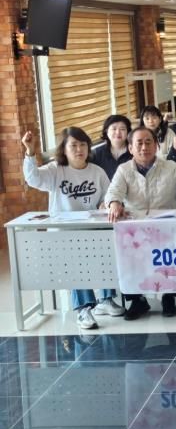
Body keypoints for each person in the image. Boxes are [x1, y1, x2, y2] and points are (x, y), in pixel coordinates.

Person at [22, 127, 124, 329]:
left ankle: (105, 300)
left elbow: (108, 196)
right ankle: (83, 309)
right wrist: (30, 152)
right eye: (74, 145)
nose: (79, 149)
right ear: (64, 149)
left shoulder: (97, 171)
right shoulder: (55, 170)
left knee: (107, 247)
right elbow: (33, 178)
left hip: (92, 229)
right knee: (75, 258)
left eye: (83, 145)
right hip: (64, 233)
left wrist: (106, 204)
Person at [105, 127, 176, 320]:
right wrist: (114, 203)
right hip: (136, 229)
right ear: (130, 148)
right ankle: (137, 300)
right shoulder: (124, 170)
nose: (144, 147)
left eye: (148, 142)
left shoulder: (170, 166)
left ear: (156, 146)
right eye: (139, 143)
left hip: (164, 227)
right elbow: (113, 192)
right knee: (128, 251)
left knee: (167, 252)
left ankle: (168, 297)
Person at [91, 115, 132, 180]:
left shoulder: (135, 152)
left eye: (122, 129)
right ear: (106, 131)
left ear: (128, 132)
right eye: (114, 129)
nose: (118, 132)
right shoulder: (96, 153)